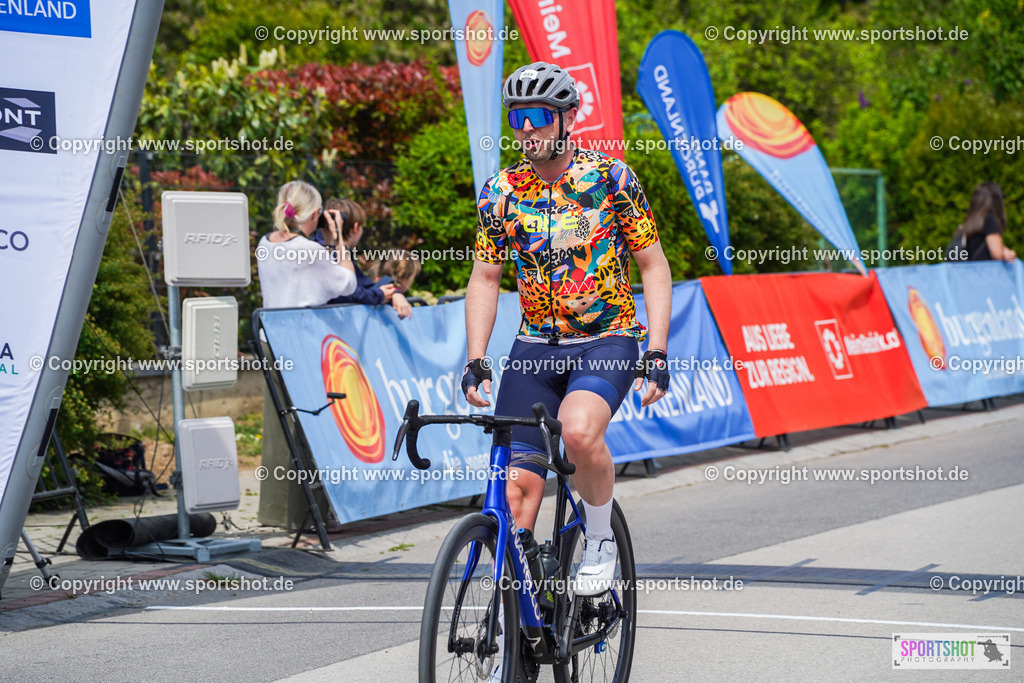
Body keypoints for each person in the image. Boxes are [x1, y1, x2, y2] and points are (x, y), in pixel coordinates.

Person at [462, 62, 672, 598]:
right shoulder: (501, 192)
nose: (526, 129)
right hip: (535, 348)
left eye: (536, 116)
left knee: (578, 434)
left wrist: (657, 351)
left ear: (567, 118)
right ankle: (525, 612)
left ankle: (600, 541)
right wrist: (476, 356)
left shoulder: (610, 178)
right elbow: (486, 278)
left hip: (607, 339)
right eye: (516, 118)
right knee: (515, 493)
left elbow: (653, 265)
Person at [256, 180, 355, 530]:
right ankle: (306, 517)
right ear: (314, 214)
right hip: (303, 342)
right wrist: (339, 239)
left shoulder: (264, 246)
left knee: (279, 428)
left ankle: (276, 513)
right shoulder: (308, 251)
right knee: (311, 425)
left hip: (272, 342)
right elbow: (346, 283)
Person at [315, 198, 414, 319]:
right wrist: (379, 296)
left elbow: (366, 286)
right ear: (356, 228)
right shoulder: (329, 251)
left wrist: (394, 293)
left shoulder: (315, 245)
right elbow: (345, 292)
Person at [952, 182, 1015, 262]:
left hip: (970, 270)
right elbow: (997, 253)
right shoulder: (990, 219)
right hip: (986, 271)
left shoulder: (971, 222)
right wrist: (1006, 255)